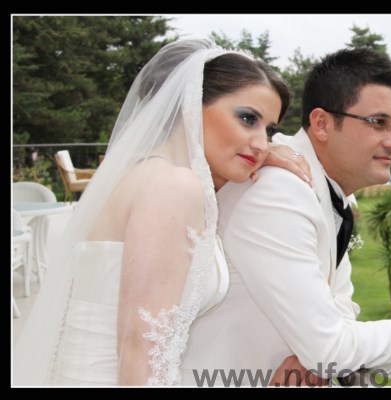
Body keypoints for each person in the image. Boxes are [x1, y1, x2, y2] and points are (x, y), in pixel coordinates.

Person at [12, 39, 309, 386]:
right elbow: (140, 347)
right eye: (248, 119)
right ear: (189, 104)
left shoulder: (145, 174)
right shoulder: (174, 187)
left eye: (269, 130)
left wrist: (259, 154)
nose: (261, 142)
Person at [181, 48, 391, 387]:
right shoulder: (275, 191)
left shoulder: (323, 188)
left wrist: (322, 352)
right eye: (378, 123)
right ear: (321, 124)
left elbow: (339, 310)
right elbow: (329, 350)